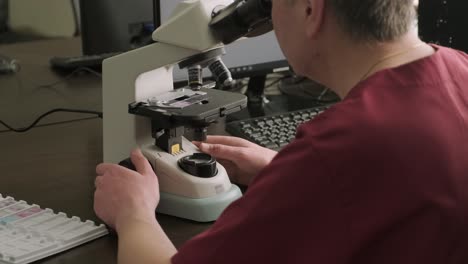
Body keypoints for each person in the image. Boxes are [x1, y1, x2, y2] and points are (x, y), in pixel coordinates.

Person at [93, 0, 468, 263]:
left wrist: (133, 214)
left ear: (310, 8)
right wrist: (287, 173)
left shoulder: (340, 149)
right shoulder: (459, 68)